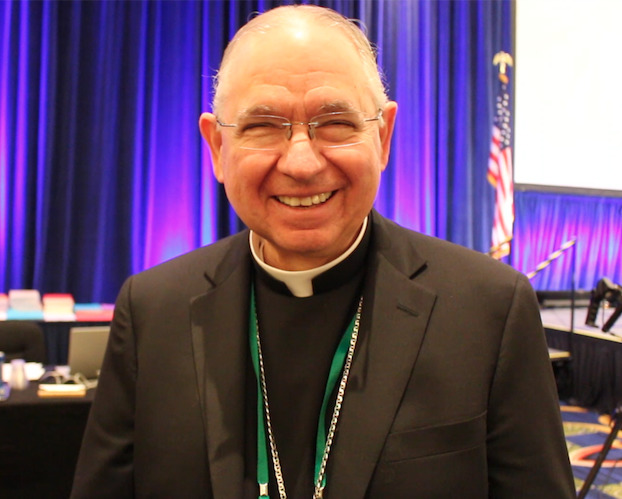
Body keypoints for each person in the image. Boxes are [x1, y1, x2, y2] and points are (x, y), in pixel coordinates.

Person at [71, 5, 575, 498]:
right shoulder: (152, 310)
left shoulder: (489, 309)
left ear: (382, 137)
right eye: (263, 125)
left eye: (335, 122)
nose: (302, 163)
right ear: (218, 148)